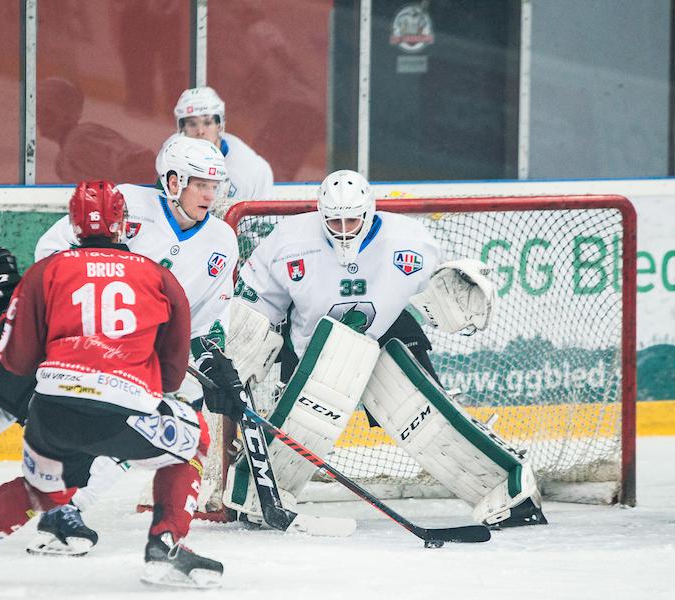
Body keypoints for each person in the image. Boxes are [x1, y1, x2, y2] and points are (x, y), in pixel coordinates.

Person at [0, 136, 240, 555]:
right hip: (64, 339)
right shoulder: (126, 205)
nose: (210, 194)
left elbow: (208, 322)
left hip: (125, 359)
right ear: (172, 181)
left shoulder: (223, 242)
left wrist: (212, 359)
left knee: (108, 437)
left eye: (216, 184)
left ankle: (64, 512)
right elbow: (54, 252)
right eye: (200, 184)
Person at [221, 170, 547, 529]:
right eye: (334, 220)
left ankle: (509, 493)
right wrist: (245, 344)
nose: (344, 229)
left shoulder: (411, 241)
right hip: (316, 349)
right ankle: (256, 494)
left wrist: (456, 296)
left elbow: (441, 293)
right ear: (320, 213)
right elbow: (256, 303)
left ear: (370, 210)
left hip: (391, 338)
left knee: (431, 424)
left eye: (352, 219)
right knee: (303, 427)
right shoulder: (289, 241)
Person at [162, 86, 274, 212]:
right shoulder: (170, 155)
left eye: (208, 122)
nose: (200, 131)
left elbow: (259, 224)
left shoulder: (253, 169)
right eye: (192, 124)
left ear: (219, 125)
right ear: (182, 128)